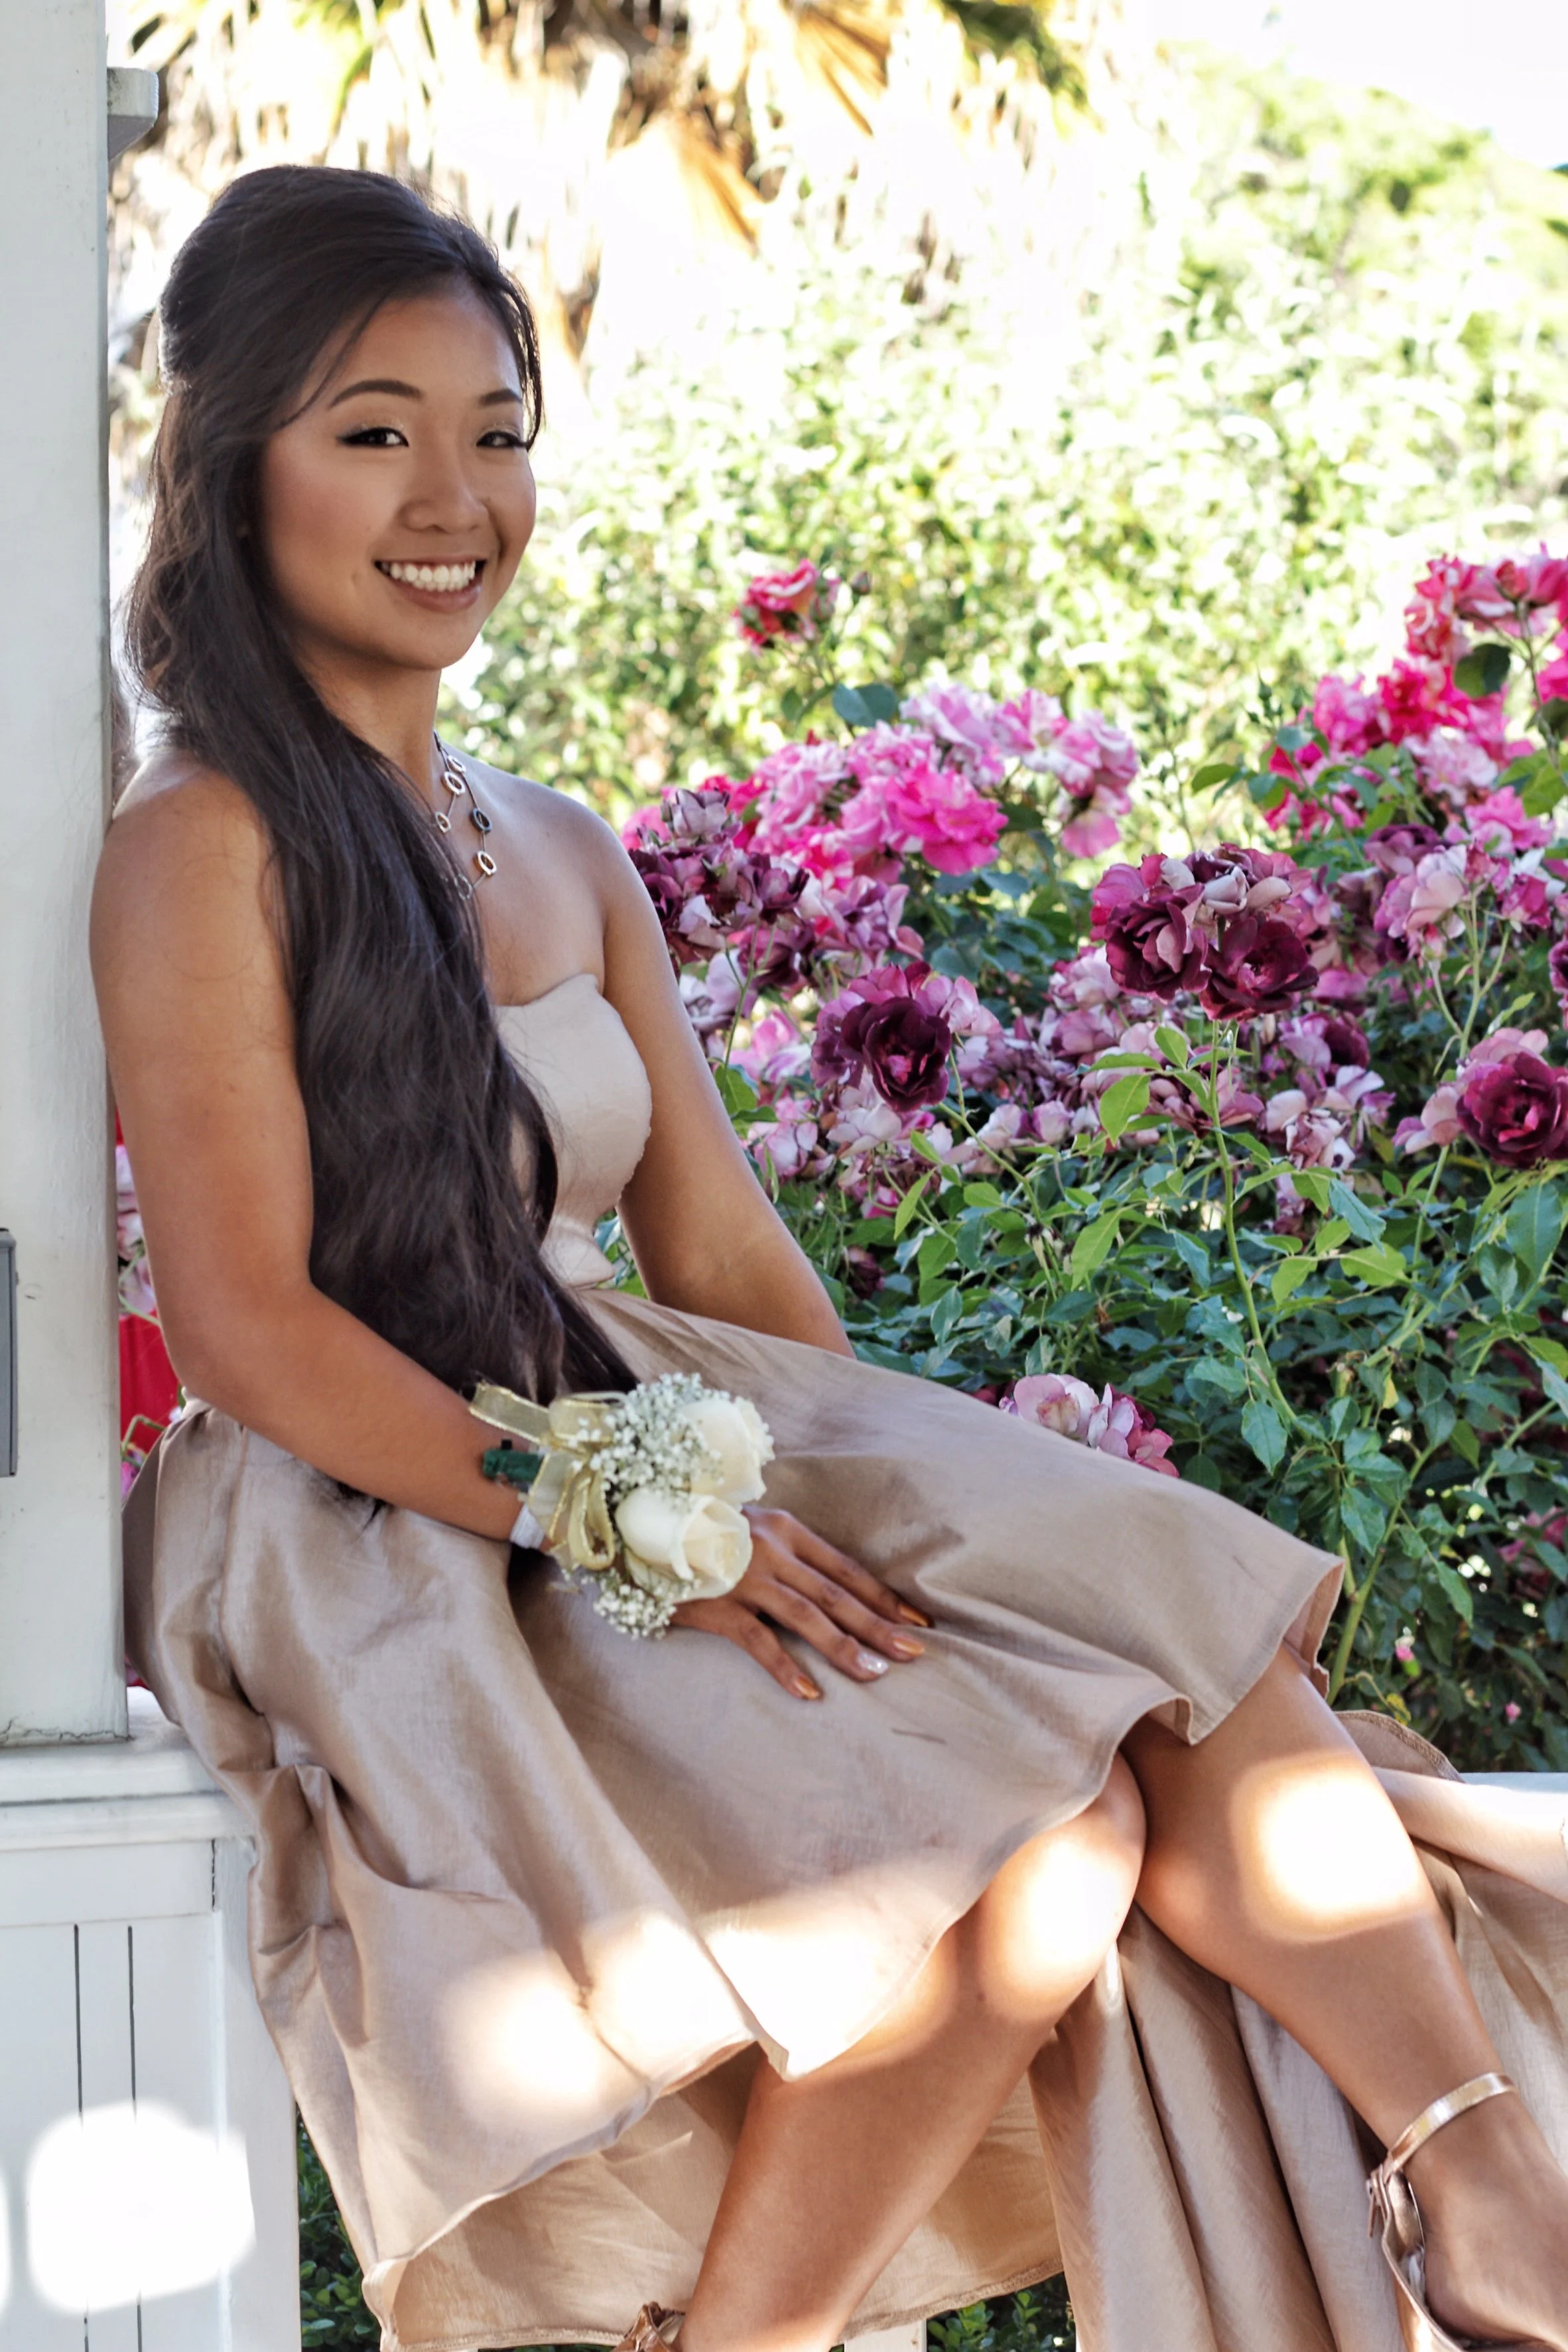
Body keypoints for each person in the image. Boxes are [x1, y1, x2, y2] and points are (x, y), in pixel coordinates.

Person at [95, 165, 1568, 2352]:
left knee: (1158, 1618)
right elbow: (246, 1325)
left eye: (497, 431)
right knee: (1037, 1837)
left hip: (647, 1420)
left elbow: (727, 1253)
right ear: (232, 468)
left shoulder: (557, 842)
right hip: (379, 1500)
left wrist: (955, 1514)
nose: (455, 493)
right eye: (374, 427)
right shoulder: (197, 838)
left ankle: (1488, 2186)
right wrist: (619, 1511)